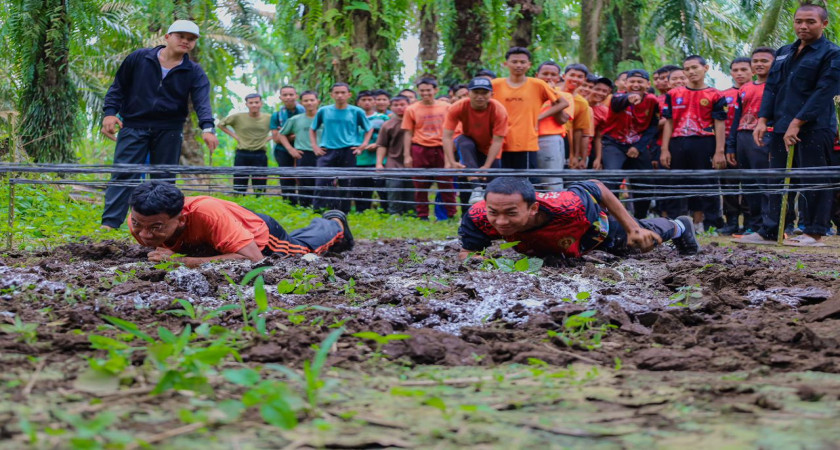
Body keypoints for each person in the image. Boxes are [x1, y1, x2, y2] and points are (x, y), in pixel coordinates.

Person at [100, 20, 218, 230]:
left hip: (170, 130)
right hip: (134, 125)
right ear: (167, 37)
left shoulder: (193, 71)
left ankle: (160, 225)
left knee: (164, 179)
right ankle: (110, 224)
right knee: (123, 173)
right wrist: (109, 114)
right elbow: (118, 87)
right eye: (181, 36)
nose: (185, 41)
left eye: (191, 39)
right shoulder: (139, 58)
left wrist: (208, 128)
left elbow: (202, 102)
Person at [739, 4, 840, 247]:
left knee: (813, 179)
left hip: (815, 128)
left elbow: (824, 91)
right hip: (781, 127)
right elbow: (772, 87)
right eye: (799, 21)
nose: (803, 26)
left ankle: (814, 232)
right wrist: (763, 120)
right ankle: (772, 230)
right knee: (778, 179)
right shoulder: (784, 52)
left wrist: (798, 122)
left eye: (810, 22)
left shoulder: (832, 54)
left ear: (823, 24)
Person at [457, 177, 699, 261]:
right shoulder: (478, 216)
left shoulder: (567, 205)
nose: (500, 221)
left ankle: (680, 226)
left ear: (532, 208)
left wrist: (633, 228)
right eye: (493, 212)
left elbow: (596, 186)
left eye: (511, 213)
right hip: (545, 247)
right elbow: (468, 251)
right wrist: (475, 260)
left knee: (633, 243)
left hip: (591, 230)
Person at [127, 181, 353, 268]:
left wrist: (182, 262)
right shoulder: (141, 219)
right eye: (138, 224)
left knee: (302, 250)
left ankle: (333, 223)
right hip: (221, 234)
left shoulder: (208, 214)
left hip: (258, 235)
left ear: (182, 219)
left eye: (156, 228)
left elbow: (255, 259)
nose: (145, 235)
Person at [660, 55, 728, 232]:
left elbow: (720, 123)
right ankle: (675, 226)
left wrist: (719, 151)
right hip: (677, 142)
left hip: (704, 142)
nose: (691, 72)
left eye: (694, 67)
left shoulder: (715, 95)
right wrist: (665, 149)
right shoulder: (673, 94)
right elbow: (668, 122)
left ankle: (711, 225)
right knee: (676, 184)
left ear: (705, 68)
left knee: (707, 182)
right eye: (687, 69)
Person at [595, 70, 660, 219]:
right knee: (612, 179)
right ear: (625, 84)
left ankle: (640, 219)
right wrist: (629, 99)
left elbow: (653, 126)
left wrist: (638, 147)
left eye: (640, 82)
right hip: (614, 143)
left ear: (647, 84)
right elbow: (618, 104)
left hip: (637, 145)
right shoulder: (616, 97)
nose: (636, 85)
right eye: (632, 81)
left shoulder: (652, 101)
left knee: (645, 181)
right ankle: (612, 218)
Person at [724, 48, 776, 235]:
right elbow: (736, 118)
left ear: (775, 63)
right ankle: (753, 225)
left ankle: (770, 225)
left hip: (765, 136)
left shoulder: (777, 86)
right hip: (742, 137)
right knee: (748, 183)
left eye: (765, 60)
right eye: (756, 61)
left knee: (766, 182)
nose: (759, 64)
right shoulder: (745, 89)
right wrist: (731, 145)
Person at [492, 48, 567, 175]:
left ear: (529, 65)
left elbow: (563, 103)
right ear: (506, 64)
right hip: (500, 143)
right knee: (501, 183)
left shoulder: (537, 84)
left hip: (526, 142)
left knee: (528, 183)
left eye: (522, 62)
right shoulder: (495, 84)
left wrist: (540, 116)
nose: (518, 65)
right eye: (514, 62)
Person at [442, 77, 509, 204]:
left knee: (492, 187)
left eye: (484, 93)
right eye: (476, 92)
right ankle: (475, 188)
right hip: (468, 147)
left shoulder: (499, 110)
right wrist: (451, 161)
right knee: (463, 141)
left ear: (492, 94)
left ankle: (490, 217)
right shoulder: (458, 107)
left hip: (490, 150)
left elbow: (497, 140)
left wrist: (486, 166)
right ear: (468, 93)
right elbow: (447, 136)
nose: (480, 96)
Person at [310, 83, 372, 212]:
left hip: (348, 150)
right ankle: (318, 209)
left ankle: (344, 211)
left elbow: (369, 128)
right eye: (336, 93)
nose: (340, 95)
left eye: (343, 92)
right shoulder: (324, 110)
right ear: (332, 95)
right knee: (322, 181)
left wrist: (363, 145)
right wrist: (315, 146)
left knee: (346, 182)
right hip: (327, 150)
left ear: (349, 95)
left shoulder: (356, 111)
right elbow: (312, 129)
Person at [402, 78, 457, 220]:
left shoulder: (446, 107)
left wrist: (450, 157)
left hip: (441, 147)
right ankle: (423, 215)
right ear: (418, 92)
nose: (425, 93)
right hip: (420, 148)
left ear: (436, 90)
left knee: (446, 183)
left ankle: (451, 215)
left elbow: (451, 131)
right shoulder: (411, 109)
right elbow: (408, 132)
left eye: (428, 90)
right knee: (420, 185)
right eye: (422, 91)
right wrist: (407, 155)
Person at [718, 57, 755, 234]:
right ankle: (731, 221)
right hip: (727, 145)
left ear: (752, 71)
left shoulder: (759, 91)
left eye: (744, 70)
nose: (739, 74)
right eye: (735, 70)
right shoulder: (723, 95)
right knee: (729, 185)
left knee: (751, 183)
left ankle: (750, 221)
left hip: (752, 143)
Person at [217, 93, 271, 193]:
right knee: (239, 183)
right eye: (251, 103)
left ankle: (259, 202)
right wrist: (234, 136)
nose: (254, 105)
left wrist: (269, 138)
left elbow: (281, 129)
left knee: (260, 184)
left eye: (256, 102)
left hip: (260, 154)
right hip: (242, 153)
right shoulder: (238, 117)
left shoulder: (268, 118)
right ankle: (239, 203)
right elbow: (220, 124)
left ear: (261, 103)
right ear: (246, 104)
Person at [276, 90, 321, 207]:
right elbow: (281, 134)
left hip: (323, 154)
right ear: (301, 102)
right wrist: (291, 150)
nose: (309, 103)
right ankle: (305, 207)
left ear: (318, 102)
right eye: (306, 100)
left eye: (312, 100)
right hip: (303, 154)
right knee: (304, 181)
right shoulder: (295, 119)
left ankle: (321, 206)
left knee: (323, 181)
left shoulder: (324, 118)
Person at [534, 61, 574, 188]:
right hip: (526, 139)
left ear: (559, 77)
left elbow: (562, 120)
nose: (548, 77)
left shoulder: (565, 96)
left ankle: (555, 208)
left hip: (549, 140)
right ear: (537, 75)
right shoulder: (529, 93)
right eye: (545, 74)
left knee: (552, 182)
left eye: (553, 74)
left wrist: (551, 95)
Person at [376, 95, 414, 215]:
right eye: (396, 105)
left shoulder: (415, 121)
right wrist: (379, 163)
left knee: (412, 187)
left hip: (413, 159)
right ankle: (394, 213)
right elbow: (382, 145)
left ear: (409, 105)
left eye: (402, 105)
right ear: (391, 107)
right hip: (393, 160)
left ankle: (411, 213)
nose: (399, 108)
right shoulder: (387, 125)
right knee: (394, 186)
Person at [354, 90, 390, 212]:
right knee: (360, 188)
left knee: (382, 187)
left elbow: (388, 136)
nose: (367, 103)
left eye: (370, 100)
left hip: (378, 159)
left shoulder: (383, 118)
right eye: (363, 100)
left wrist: (377, 144)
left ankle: (386, 210)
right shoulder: (353, 117)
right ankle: (361, 212)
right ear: (358, 103)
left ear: (374, 102)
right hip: (359, 159)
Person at [562, 64, 593, 169]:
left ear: (584, 79)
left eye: (580, 77)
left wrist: (575, 156)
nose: (575, 79)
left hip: (565, 142)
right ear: (564, 76)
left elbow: (578, 131)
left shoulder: (582, 103)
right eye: (572, 75)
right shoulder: (552, 91)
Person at [589, 77, 613, 170]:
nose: (600, 93)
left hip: (590, 150)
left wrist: (598, 159)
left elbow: (599, 137)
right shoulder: (579, 103)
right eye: (597, 89)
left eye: (604, 91)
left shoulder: (604, 111)